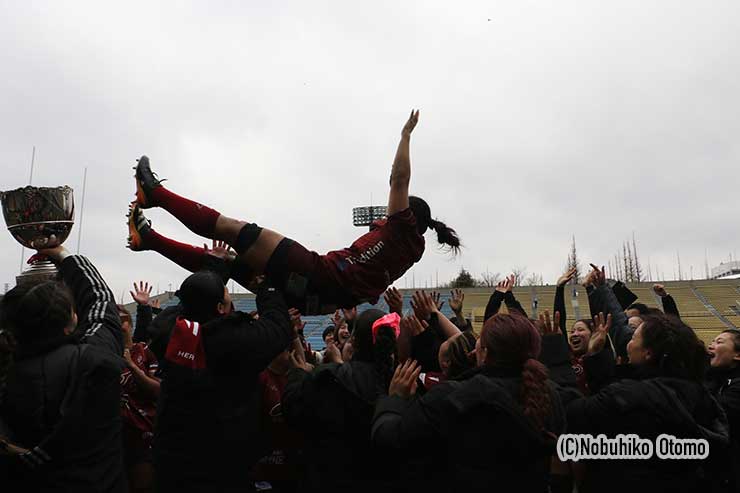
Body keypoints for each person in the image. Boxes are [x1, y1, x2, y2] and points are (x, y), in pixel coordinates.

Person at [126, 111, 460, 315]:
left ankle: (155, 194)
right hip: (313, 299)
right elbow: (354, 296)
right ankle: (150, 239)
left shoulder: (402, 229)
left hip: (316, 272)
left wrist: (405, 136)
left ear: (408, 217)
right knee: (225, 263)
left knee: (233, 229)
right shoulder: (402, 256)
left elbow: (398, 178)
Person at [372, 313, 565, 493]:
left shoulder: (454, 397)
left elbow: (389, 441)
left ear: (485, 352)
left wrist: (394, 400)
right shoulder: (549, 394)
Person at [152, 269, 293, 493]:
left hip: (172, 465)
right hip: (224, 469)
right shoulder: (234, 342)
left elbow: (190, 301)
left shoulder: (167, 331)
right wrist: (268, 288)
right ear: (220, 308)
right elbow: (278, 328)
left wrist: (212, 276)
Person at [0, 246, 127, 492]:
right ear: (70, 324)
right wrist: (63, 253)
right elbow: (100, 300)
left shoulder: (8, 378)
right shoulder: (94, 360)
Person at [565, 313, 729, 493]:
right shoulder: (702, 396)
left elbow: (572, 415)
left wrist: (554, 353)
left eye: (633, 338)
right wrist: (597, 357)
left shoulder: (629, 395)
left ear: (648, 353)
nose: (628, 344)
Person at [282, 309, 401, 493]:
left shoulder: (330, 377)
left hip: (329, 479)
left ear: (353, 341)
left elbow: (292, 408)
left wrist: (297, 374)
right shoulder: (401, 383)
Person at [118, 305, 160, 493]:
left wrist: (132, 367)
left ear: (128, 323)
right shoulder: (100, 355)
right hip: (113, 439)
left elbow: (158, 391)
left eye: (121, 319)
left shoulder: (144, 351)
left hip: (143, 437)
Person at [706, 329, 740, 491]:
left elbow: (716, 412)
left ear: (737, 355)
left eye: (719, 342)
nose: (711, 346)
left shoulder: (736, 385)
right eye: (712, 341)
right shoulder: (716, 377)